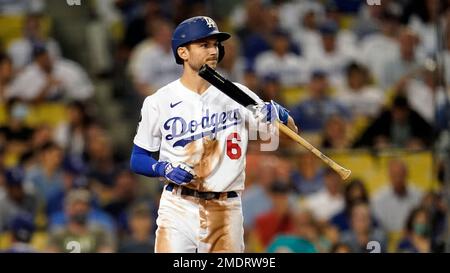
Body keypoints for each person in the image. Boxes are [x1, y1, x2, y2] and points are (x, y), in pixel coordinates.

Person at [129, 16, 298, 253]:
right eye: (204, 45)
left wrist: (281, 115)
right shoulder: (159, 101)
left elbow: (289, 138)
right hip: (178, 205)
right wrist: (163, 169)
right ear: (183, 52)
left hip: (225, 207)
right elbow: (137, 158)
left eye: (216, 45)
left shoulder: (239, 94)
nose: (214, 50)